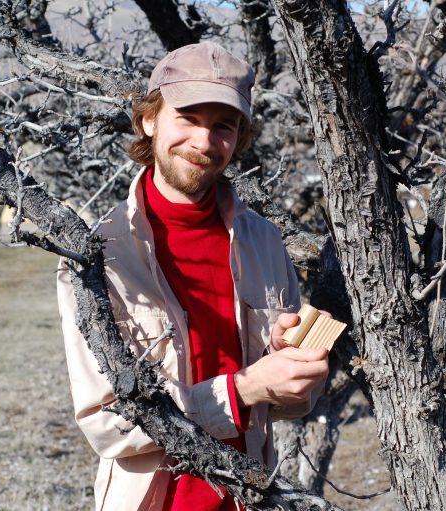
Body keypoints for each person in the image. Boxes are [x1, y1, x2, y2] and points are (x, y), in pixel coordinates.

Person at [57, 42, 329, 511]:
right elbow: (107, 426)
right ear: (148, 120)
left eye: (222, 126)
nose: (204, 142)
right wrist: (245, 387)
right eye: (187, 118)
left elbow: (285, 404)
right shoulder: (95, 256)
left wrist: (291, 366)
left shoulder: (265, 242)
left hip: (250, 499)